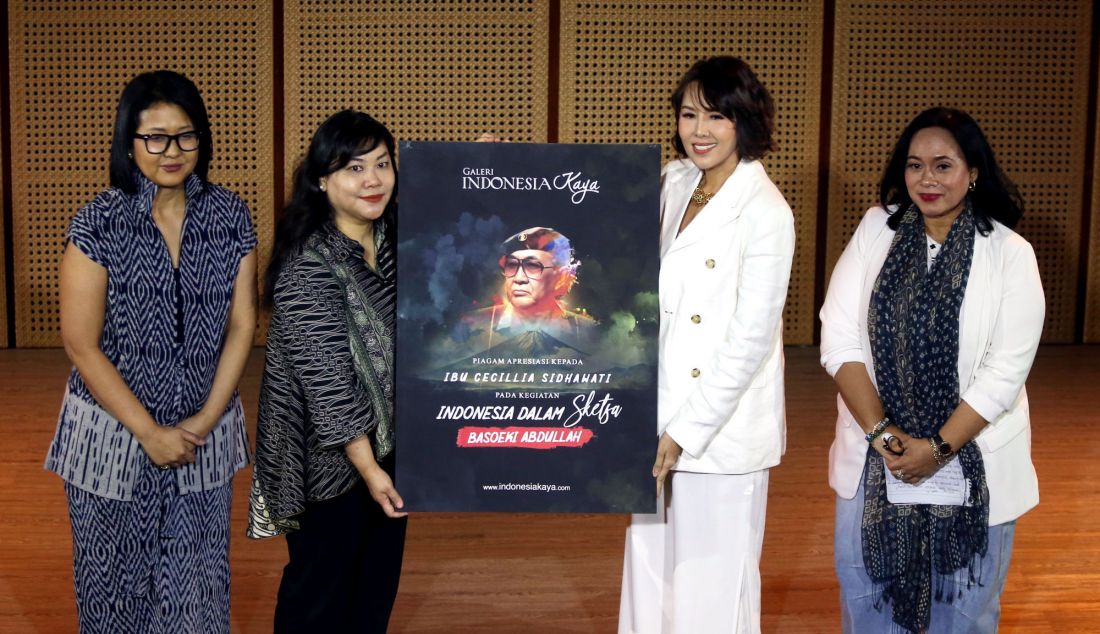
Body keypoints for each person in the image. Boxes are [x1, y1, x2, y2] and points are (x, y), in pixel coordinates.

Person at [45, 70, 257, 633]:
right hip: (110, 438)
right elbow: (80, 344)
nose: (172, 151)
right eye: (155, 137)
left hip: (202, 437)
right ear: (129, 142)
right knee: (113, 593)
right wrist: (148, 431)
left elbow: (242, 323)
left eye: (186, 136)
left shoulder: (230, 215)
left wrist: (205, 420)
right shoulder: (98, 223)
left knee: (198, 593)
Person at [819, 107, 1045, 633]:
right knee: (867, 604)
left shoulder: (1011, 253)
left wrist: (936, 449)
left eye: (943, 166)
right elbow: (838, 336)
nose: (927, 179)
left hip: (972, 463)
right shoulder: (878, 228)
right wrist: (883, 435)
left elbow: (1003, 373)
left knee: (962, 613)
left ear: (974, 173)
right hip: (879, 462)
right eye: (915, 165)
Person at [618, 56, 796, 634]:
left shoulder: (767, 213)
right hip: (656, 413)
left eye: (717, 117)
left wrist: (684, 432)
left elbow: (749, 341)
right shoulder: (674, 182)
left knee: (711, 590)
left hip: (718, 430)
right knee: (649, 572)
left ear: (745, 122)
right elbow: (584, 196)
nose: (699, 130)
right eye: (689, 114)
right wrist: (495, 162)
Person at [248, 109, 406, 633]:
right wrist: (370, 469)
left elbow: (463, 217)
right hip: (328, 464)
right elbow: (331, 386)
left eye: (382, 164)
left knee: (373, 593)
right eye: (354, 168)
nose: (373, 180)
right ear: (322, 180)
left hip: (389, 452)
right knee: (318, 596)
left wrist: (482, 162)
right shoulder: (307, 264)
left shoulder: (395, 242)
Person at [464, 226, 595, 349]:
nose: (519, 278)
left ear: (561, 277)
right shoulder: (471, 325)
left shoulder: (588, 331)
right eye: (512, 265)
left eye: (533, 266)